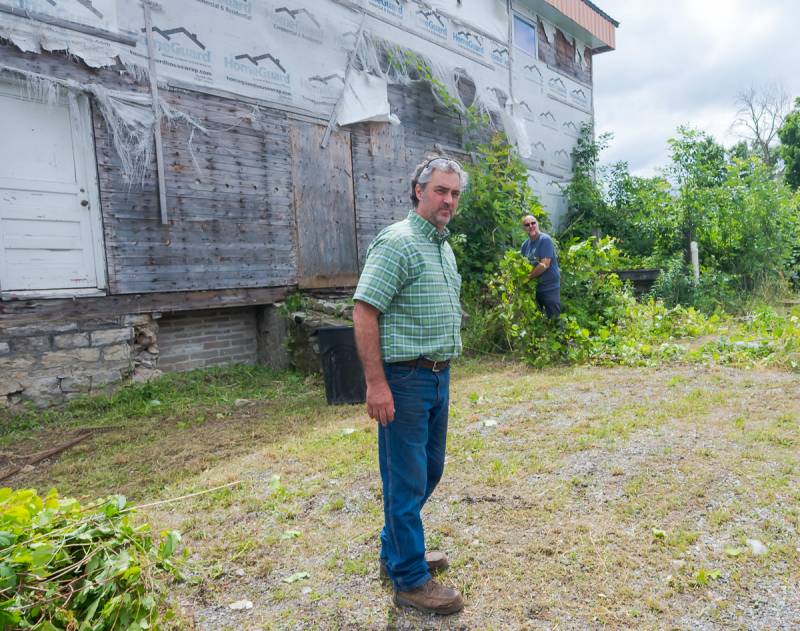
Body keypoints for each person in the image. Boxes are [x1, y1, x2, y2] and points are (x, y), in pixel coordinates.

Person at [352, 156, 467, 615]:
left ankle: (396, 552)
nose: (448, 201)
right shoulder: (397, 243)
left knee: (428, 471)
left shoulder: (442, 246)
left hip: (438, 376)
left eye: (455, 193)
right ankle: (410, 581)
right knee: (405, 479)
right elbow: (364, 311)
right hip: (405, 379)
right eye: (441, 190)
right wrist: (376, 384)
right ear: (417, 190)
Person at [520, 214, 561, 318]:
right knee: (539, 321)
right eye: (527, 224)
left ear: (537, 224)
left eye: (533, 223)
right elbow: (523, 266)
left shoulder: (545, 240)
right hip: (535, 289)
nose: (531, 226)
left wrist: (528, 277)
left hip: (549, 288)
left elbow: (544, 264)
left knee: (554, 320)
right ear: (524, 228)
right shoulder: (525, 245)